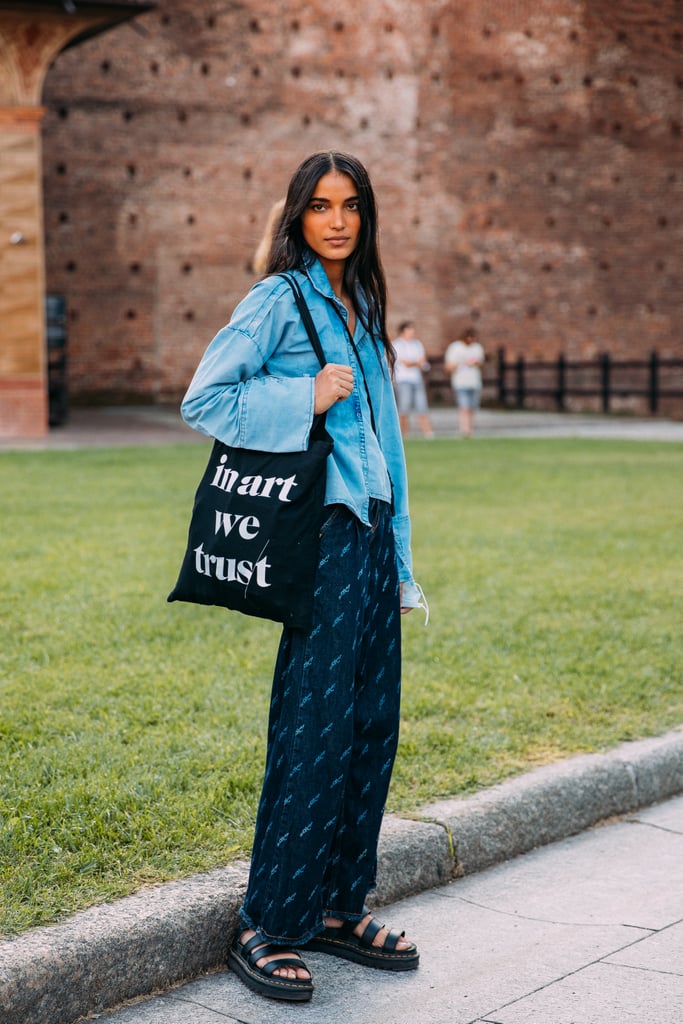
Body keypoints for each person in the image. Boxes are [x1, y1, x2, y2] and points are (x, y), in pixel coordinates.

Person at [181, 151, 426, 1003]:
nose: (337, 220)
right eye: (320, 206)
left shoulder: (363, 306)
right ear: (297, 215)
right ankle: (268, 921)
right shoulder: (277, 301)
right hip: (319, 540)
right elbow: (204, 398)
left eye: (351, 205)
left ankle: (334, 906)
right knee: (314, 728)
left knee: (368, 726)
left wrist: (399, 562)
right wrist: (305, 399)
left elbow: (388, 449)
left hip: (370, 534)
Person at [391, 321, 434, 438]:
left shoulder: (417, 344)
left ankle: (427, 433)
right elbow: (406, 363)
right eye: (409, 331)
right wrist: (416, 362)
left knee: (422, 405)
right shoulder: (396, 345)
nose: (412, 333)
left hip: (416, 379)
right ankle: (404, 433)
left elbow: (423, 362)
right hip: (403, 380)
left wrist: (416, 362)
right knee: (404, 407)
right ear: (403, 332)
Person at [444, 326, 485, 436]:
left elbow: (481, 363)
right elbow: (449, 366)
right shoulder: (455, 347)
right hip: (460, 382)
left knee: (472, 407)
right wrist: (463, 363)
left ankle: (471, 429)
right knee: (464, 407)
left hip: (474, 382)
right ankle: (464, 429)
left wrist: (475, 363)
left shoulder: (477, 348)